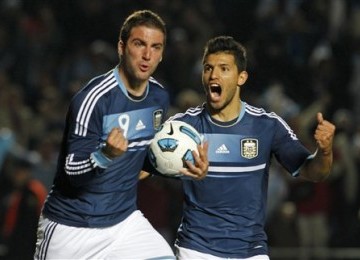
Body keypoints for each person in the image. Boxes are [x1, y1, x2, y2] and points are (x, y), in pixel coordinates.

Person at [34, 10, 208, 260]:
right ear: (121, 47)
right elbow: (71, 172)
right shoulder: (93, 99)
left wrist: (185, 165)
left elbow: (145, 161)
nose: (147, 55)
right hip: (71, 228)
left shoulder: (159, 97)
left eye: (156, 47)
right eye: (139, 44)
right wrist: (105, 155)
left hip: (124, 224)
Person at [166, 36, 335, 259]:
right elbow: (145, 170)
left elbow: (315, 172)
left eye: (224, 68)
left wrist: (324, 151)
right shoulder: (182, 127)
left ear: (241, 77)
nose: (214, 75)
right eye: (208, 68)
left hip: (250, 251)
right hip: (196, 249)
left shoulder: (267, 126)